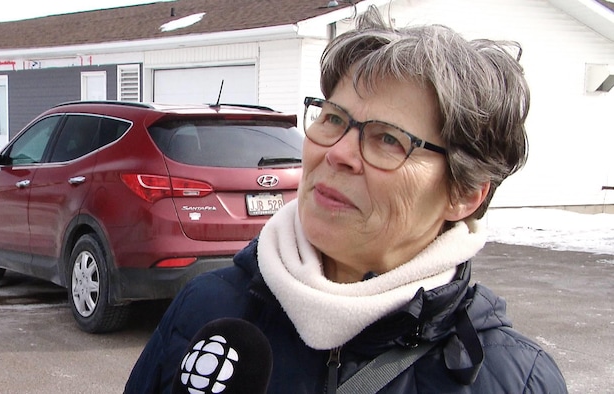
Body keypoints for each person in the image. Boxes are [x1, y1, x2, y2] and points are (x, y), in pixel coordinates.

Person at [125, 5, 567, 393]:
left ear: (465, 193)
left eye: (389, 140)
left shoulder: (516, 380)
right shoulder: (204, 308)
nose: (337, 152)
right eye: (333, 118)